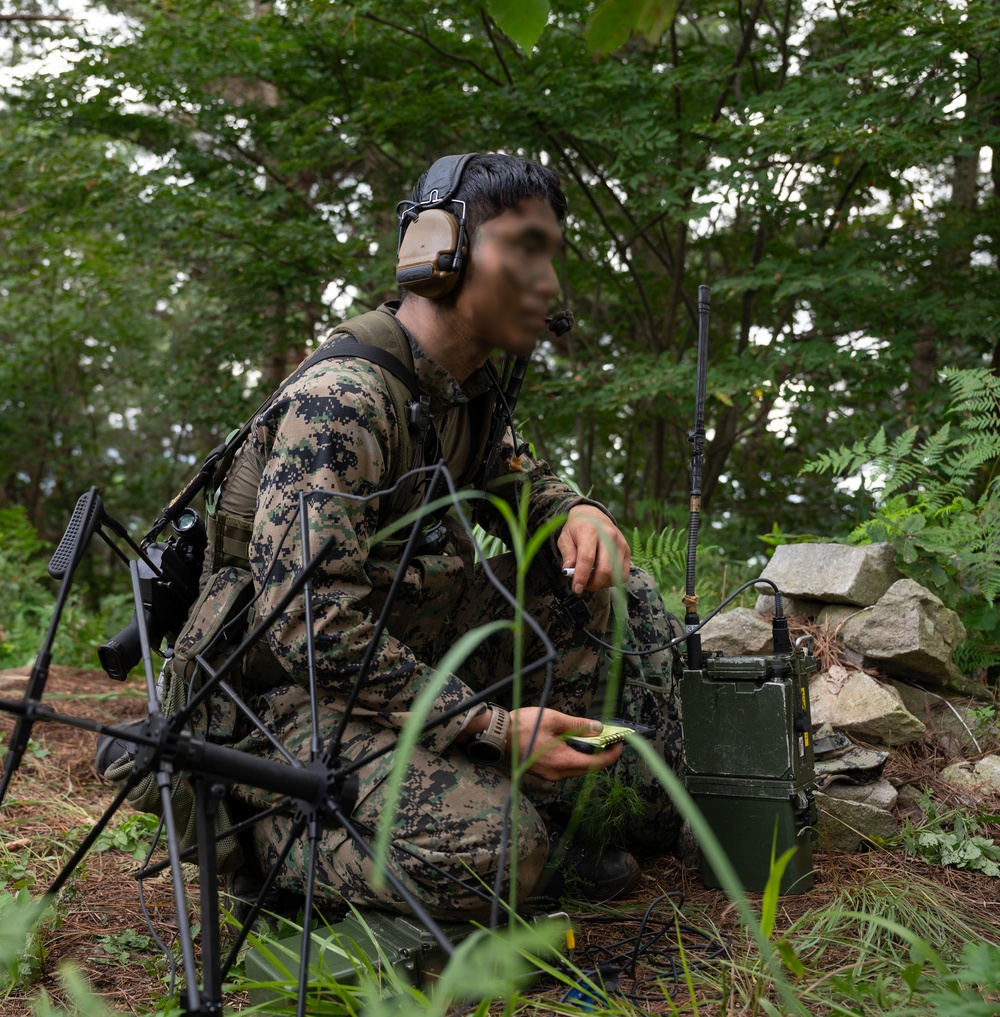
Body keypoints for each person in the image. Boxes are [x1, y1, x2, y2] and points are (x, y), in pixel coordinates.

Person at [205, 152, 683, 920]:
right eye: (523, 247)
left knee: (607, 595)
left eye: (550, 256)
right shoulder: (345, 401)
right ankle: (268, 828)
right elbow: (306, 626)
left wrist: (577, 511)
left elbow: (520, 480)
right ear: (439, 248)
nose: (547, 282)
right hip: (287, 699)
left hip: (402, 660)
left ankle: (550, 805)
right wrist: (491, 726)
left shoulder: (463, 392)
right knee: (502, 854)